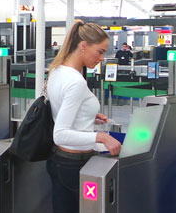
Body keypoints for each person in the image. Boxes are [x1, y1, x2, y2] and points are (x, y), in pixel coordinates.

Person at [46, 21, 122, 213]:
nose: (102, 58)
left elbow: (60, 107)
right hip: (74, 165)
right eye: (100, 51)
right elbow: (61, 134)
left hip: (59, 161)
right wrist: (101, 137)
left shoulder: (57, 71)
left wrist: (87, 115)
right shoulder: (75, 82)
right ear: (83, 46)